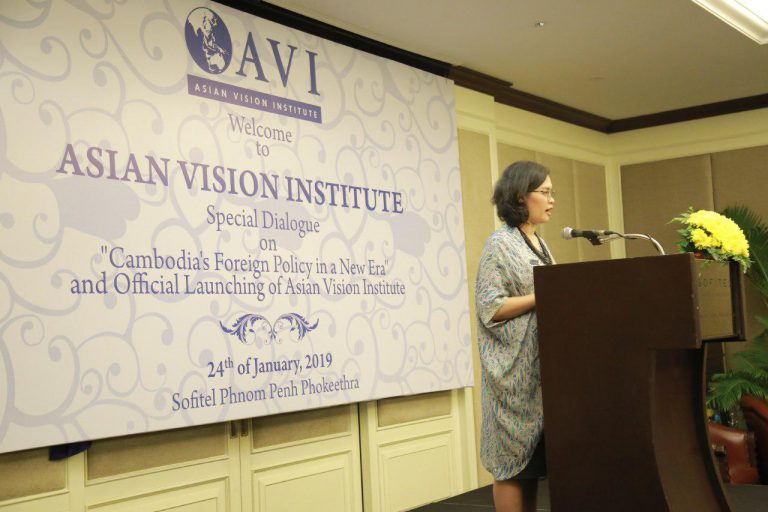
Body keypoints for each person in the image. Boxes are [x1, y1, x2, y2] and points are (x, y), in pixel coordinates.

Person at [475, 160, 555, 512]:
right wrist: (542, 296)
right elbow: (490, 307)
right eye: (545, 192)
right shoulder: (500, 244)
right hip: (512, 379)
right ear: (522, 196)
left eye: (552, 192)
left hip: (539, 378)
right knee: (511, 468)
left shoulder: (539, 243)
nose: (552, 200)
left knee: (531, 469)